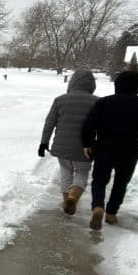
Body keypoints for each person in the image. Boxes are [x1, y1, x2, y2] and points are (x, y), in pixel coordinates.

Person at [81, 70, 138, 230]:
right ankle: (111, 213)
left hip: (104, 149)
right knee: (121, 182)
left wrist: (88, 143)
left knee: (99, 180)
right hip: (129, 151)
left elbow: (88, 125)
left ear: (117, 85)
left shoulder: (103, 103)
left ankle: (98, 206)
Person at [39, 69, 99, 215]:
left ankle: (67, 201)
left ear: (72, 83)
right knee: (82, 173)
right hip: (85, 148)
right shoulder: (97, 102)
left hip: (62, 146)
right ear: (92, 85)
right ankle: (73, 197)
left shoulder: (60, 100)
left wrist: (44, 142)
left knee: (65, 172)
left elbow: (49, 123)